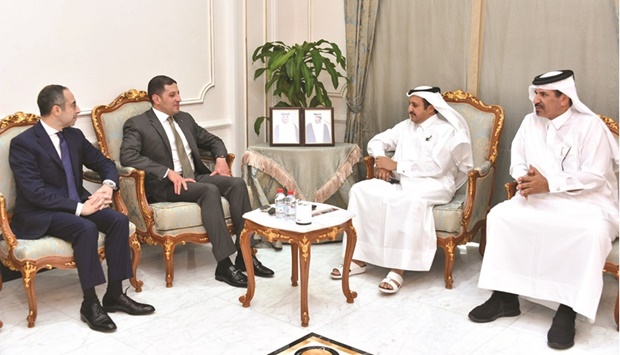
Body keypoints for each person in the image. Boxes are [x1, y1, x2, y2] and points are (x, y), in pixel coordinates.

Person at [468, 70, 619, 350]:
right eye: (535, 94)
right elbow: (518, 160)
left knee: (589, 233)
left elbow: (595, 176)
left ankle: (567, 309)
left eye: (543, 95)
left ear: (565, 99)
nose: (536, 100)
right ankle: (505, 297)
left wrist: (550, 183)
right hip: (537, 196)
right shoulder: (529, 122)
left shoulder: (590, 126)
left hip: (586, 203)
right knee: (501, 217)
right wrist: (525, 177)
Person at [9, 85, 155, 333]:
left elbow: (104, 163)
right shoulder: (23, 143)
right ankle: (90, 303)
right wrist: (80, 208)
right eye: (73, 105)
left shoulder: (73, 136)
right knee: (85, 227)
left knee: (119, 221)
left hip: (76, 202)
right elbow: (34, 193)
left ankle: (115, 294)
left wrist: (108, 186)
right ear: (57, 110)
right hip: (41, 212)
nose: (78, 110)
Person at [120, 75, 274, 288]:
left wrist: (220, 160)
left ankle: (245, 254)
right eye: (172, 95)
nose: (179, 99)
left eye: (178, 93)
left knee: (237, 184)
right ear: (156, 99)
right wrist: (167, 172)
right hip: (166, 185)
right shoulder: (138, 124)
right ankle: (223, 265)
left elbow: (214, 140)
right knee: (209, 191)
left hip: (194, 175)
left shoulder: (185, 119)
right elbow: (128, 156)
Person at [330, 86, 473, 294]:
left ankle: (398, 269)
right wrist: (381, 162)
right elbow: (376, 141)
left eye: (415, 105)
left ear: (431, 108)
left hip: (435, 185)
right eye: (409, 104)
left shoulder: (446, 131)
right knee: (360, 191)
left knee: (410, 200)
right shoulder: (406, 126)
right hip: (404, 182)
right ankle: (358, 259)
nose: (410, 109)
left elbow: (437, 167)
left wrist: (395, 166)